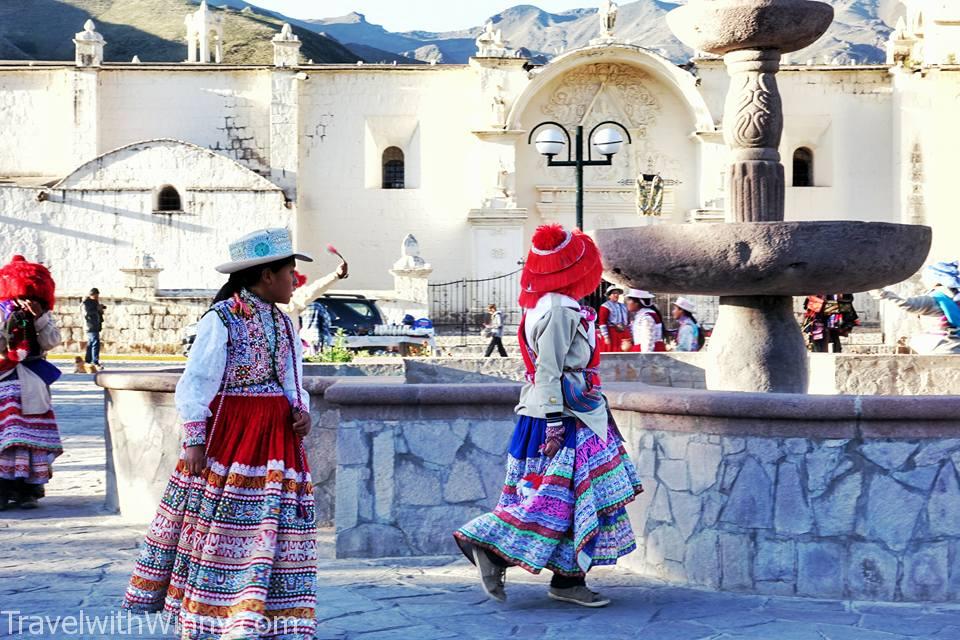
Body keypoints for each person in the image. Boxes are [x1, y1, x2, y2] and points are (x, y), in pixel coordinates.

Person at [122, 228, 318, 639]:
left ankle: (265, 615)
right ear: (267, 275)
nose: (294, 281)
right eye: (290, 273)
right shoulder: (222, 318)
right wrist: (195, 439)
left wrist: (301, 410)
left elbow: (290, 375)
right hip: (234, 436)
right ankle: (221, 614)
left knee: (272, 525)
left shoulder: (282, 322)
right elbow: (197, 382)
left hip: (276, 438)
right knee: (226, 524)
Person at [454, 224, 643, 608]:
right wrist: (556, 423)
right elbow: (549, 370)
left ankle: (567, 579)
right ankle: (486, 544)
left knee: (567, 500)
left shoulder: (547, 306)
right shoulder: (558, 310)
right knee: (552, 500)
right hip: (565, 417)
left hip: (569, 412)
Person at [0, 256, 63, 510]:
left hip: (32, 381)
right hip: (4, 380)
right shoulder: (2, 310)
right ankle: (3, 489)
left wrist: (39, 319)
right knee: (7, 435)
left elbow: (50, 342)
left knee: (30, 437)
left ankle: (28, 488)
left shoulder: (42, 314)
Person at [874, 261, 960, 354]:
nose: (923, 280)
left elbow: (906, 304)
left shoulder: (934, 299)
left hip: (939, 348)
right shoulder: (955, 296)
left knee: (913, 342)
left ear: (934, 279)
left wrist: (880, 292)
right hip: (956, 346)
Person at [597, 285, 629, 352]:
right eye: (614, 293)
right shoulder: (605, 306)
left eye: (617, 293)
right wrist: (606, 337)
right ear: (609, 296)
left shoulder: (623, 306)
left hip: (623, 332)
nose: (616, 295)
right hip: (612, 333)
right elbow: (602, 322)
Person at [82, 287, 105, 369]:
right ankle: (95, 361)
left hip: (95, 325)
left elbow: (97, 313)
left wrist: (100, 309)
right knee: (95, 342)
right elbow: (88, 313)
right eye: (95, 295)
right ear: (92, 295)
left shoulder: (94, 302)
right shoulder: (87, 302)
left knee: (91, 343)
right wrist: (97, 309)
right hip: (90, 326)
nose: (97, 297)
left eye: (97, 296)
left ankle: (88, 361)